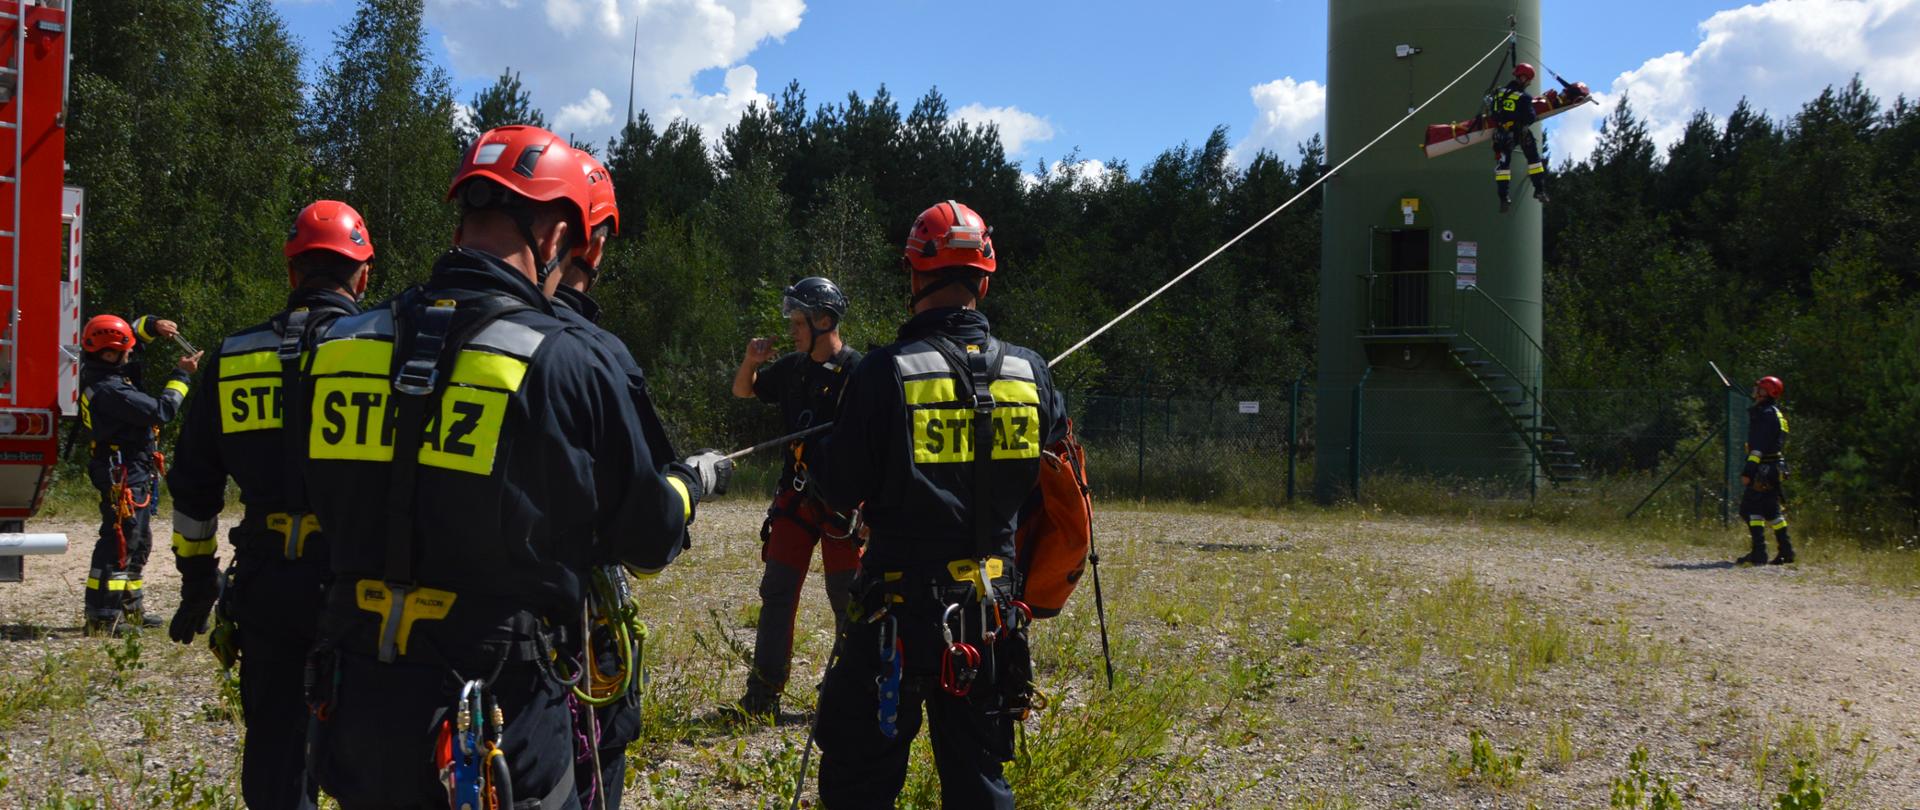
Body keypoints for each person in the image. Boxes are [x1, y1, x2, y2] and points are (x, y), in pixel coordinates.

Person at [300, 125, 732, 808]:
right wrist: (686, 485)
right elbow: (648, 536)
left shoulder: (343, 343)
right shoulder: (565, 359)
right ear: (557, 237)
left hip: (357, 700)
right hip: (496, 710)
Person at [808, 201, 1067, 809]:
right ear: (984, 278)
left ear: (916, 275)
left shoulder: (882, 373)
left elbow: (837, 489)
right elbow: (1056, 472)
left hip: (896, 613)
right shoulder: (1030, 374)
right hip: (992, 611)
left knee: (858, 781)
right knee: (980, 781)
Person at [163, 200, 375, 810]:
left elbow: (194, 486)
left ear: (291, 273)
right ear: (361, 275)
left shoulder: (232, 358)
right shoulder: (388, 357)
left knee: (277, 765)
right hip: (361, 589)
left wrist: (198, 581)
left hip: (267, 586)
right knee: (381, 759)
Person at [543, 148, 667, 810]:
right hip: (570, 623)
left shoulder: (415, 337)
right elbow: (649, 529)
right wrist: (686, 487)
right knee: (594, 764)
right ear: (588, 241)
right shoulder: (593, 357)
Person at [727, 275, 863, 718]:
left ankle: (847, 692)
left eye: (799, 321)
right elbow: (743, 391)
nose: (792, 330)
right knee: (778, 592)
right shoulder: (790, 369)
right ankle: (762, 696)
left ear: (825, 321)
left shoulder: (860, 373)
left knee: (849, 601)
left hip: (843, 506)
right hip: (796, 498)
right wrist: (751, 360)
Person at [78, 313, 200, 635]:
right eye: (125, 350)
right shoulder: (112, 390)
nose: (131, 353)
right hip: (122, 470)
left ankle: (130, 610)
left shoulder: (105, 370)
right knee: (120, 539)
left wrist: (154, 324)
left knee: (138, 539)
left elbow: (132, 334)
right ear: (110, 353)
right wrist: (182, 375)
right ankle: (102, 617)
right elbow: (163, 410)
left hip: (132, 467)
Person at [1736, 375, 1793, 565]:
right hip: (1775, 467)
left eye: (1759, 388)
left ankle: (1759, 553)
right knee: (1772, 511)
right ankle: (1786, 550)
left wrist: (1748, 471)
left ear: (1766, 392)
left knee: (1750, 508)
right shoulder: (1776, 413)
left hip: (1763, 468)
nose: (1755, 391)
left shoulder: (1764, 414)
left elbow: (1758, 447)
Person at [1491, 63, 1550, 213]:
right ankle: (1539, 190)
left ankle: (1504, 198)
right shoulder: (1524, 98)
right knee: (1534, 161)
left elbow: (1493, 113)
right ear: (1523, 78)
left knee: (1503, 168)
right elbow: (1530, 118)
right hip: (1519, 133)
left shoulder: (1498, 93)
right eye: (1529, 80)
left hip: (1501, 135)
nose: (1529, 83)